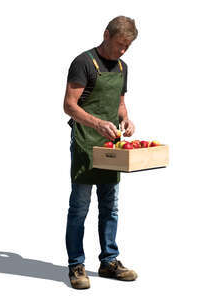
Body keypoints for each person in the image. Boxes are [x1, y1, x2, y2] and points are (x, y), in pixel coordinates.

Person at [63, 16, 138, 289]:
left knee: (110, 207)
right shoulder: (83, 62)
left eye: (126, 47)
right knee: (80, 207)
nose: (122, 51)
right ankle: (76, 265)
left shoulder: (122, 67)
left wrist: (126, 119)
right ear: (106, 34)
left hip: (111, 147)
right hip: (85, 143)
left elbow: (119, 103)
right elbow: (69, 105)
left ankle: (109, 261)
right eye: (119, 44)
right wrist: (96, 123)